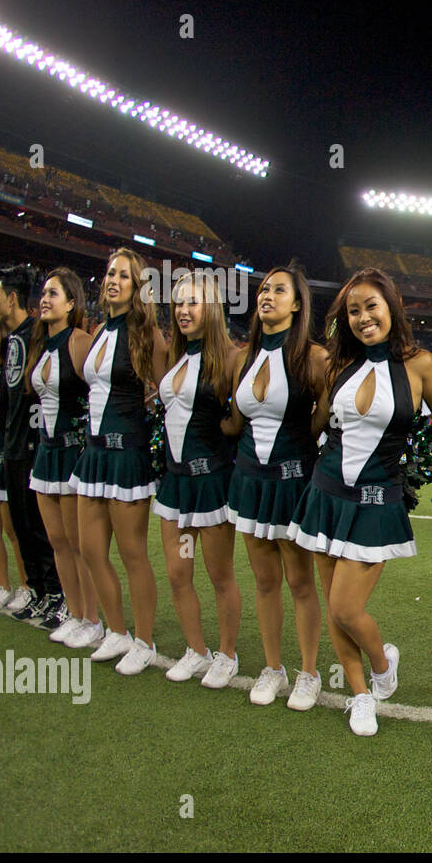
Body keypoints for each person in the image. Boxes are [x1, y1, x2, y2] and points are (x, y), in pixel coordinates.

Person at [290, 268, 432, 736]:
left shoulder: (422, 364)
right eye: (354, 311)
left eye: (371, 307)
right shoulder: (337, 365)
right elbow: (316, 424)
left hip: (378, 500)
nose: (364, 318)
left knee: (346, 608)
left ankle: (383, 665)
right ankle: (360, 695)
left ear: (392, 307)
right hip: (326, 494)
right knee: (332, 606)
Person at [221, 261, 326, 705]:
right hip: (249, 479)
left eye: (279, 291)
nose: (267, 296)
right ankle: (272, 667)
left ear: (297, 303)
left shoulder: (314, 357)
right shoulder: (241, 357)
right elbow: (235, 422)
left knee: (301, 583)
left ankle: (309, 672)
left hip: (292, 481)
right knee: (264, 581)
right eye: (264, 290)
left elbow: (322, 419)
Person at [73, 247, 167, 673]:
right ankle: (115, 630)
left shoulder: (147, 334)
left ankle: (144, 640)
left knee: (132, 554)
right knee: (91, 550)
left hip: (127, 453)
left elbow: (166, 391)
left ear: (137, 287)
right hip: (93, 454)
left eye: (123, 276)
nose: (112, 280)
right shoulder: (98, 331)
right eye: (110, 273)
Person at [155, 272, 243, 684]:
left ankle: (227, 654)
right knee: (178, 572)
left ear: (211, 309)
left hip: (212, 484)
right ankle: (196, 649)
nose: (184, 310)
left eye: (193, 302)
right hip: (175, 485)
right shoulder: (173, 354)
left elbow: (239, 420)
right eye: (179, 303)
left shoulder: (230, 357)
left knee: (219, 574)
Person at [26, 268, 101, 647]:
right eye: (43, 293)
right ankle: (74, 613)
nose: (45, 299)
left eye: (53, 294)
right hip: (46, 451)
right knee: (57, 540)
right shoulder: (42, 344)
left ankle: (93, 618)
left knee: (77, 542)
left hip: (73, 450)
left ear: (72, 303)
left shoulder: (81, 341)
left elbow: (101, 392)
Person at [0, 264, 64, 626]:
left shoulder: (35, 334)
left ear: (11, 298)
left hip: (33, 447)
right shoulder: (11, 341)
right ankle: (38, 592)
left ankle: (57, 593)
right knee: (21, 525)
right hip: (13, 446)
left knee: (39, 527)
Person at [0, 319, 27, 613]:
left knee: (13, 530)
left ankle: (27, 586)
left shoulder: (8, 377)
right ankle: (1, 584)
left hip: (4, 456)